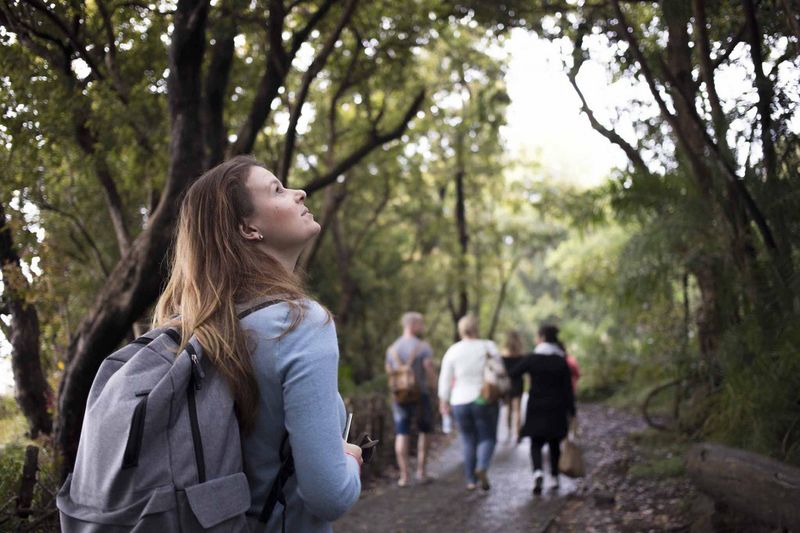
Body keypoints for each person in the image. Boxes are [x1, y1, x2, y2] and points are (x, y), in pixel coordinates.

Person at [153, 155, 362, 532]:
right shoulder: (297, 324)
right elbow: (329, 496)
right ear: (248, 228)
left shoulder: (193, 329)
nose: (299, 193)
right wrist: (352, 459)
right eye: (277, 190)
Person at [510, 324, 575, 495]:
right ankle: (554, 477)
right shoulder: (561, 360)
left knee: (536, 443)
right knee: (554, 443)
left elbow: (513, 372)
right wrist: (572, 412)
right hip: (557, 406)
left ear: (542, 337)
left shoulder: (533, 358)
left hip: (537, 405)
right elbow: (568, 389)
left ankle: (538, 472)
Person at [437, 314, 501, 491]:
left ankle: (471, 480)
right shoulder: (487, 346)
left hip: (459, 400)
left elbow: (445, 379)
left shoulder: (453, 350)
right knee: (487, 437)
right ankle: (482, 467)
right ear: (476, 327)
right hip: (484, 398)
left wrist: (443, 400)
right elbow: (500, 370)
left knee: (468, 440)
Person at [385, 312, 437, 486]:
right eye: (420, 324)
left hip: (399, 396)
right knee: (425, 430)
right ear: (412, 325)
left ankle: (404, 476)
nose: (422, 327)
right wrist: (433, 387)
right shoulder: (423, 347)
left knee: (402, 432)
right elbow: (428, 369)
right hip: (420, 394)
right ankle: (421, 472)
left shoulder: (392, 349)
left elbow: (389, 373)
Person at [500, 330, 526, 442]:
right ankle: (518, 433)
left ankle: (509, 432)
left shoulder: (503, 353)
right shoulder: (521, 354)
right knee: (518, 409)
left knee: (508, 409)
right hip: (518, 382)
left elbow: (501, 370)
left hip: (507, 383)